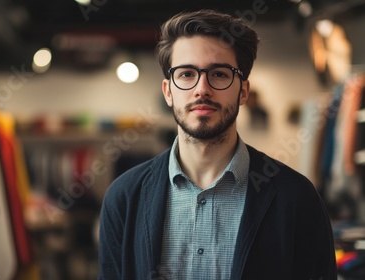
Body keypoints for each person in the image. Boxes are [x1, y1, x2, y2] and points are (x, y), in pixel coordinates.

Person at [97, 9, 337, 280]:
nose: (202, 89)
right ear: (168, 91)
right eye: (186, 74)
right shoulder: (124, 197)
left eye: (220, 74)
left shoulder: (297, 197)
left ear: (243, 91)